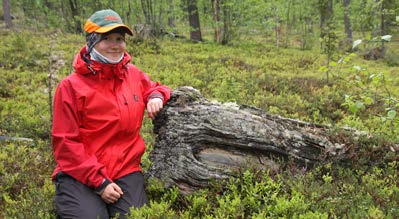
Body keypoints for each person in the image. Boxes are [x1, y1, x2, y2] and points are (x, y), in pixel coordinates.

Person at [51, 9, 171, 218]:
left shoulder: (133, 74)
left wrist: (156, 96)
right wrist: (100, 182)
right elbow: (65, 142)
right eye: (106, 38)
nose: (115, 45)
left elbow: (155, 87)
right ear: (92, 41)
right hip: (78, 173)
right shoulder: (70, 87)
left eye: (119, 39)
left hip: (125, 168)